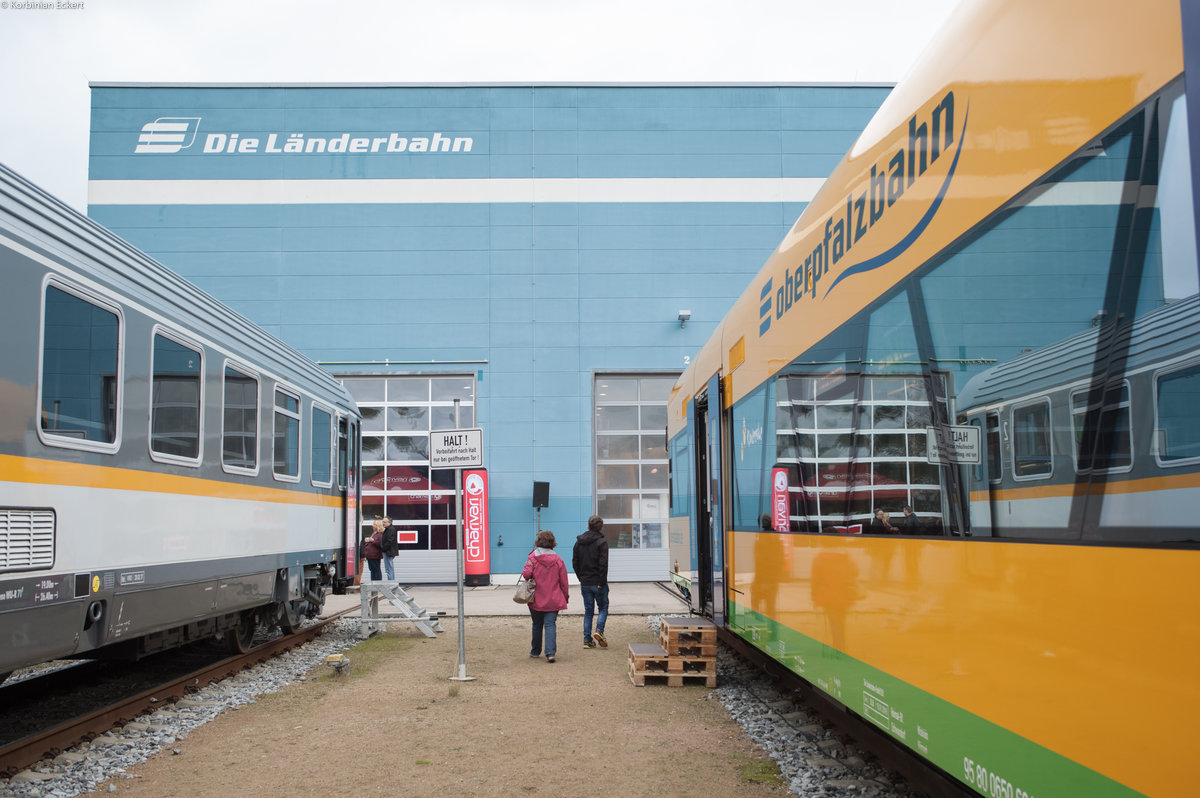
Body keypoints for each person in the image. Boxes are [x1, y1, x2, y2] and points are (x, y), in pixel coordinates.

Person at [521, 529, 569, 663]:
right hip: (554, 599)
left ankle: (535, 651)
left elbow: (525, 574)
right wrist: (565, 597)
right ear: (552, 542)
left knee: (536, 624)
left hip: (536, 597)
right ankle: (550, 653)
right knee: (550, 625)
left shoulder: (533, 558)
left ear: (538, 542)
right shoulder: (558, 560)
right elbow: (564, 581)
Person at [573, 515, 609, 649]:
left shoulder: (578, 542)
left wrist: (580, 578)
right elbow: (603, 564)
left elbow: (575, 562)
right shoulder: (602, 542)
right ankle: (599, 631)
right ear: (601, 527)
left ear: (588, 526)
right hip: (598, 582)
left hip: (585, 582)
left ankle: (587, 640)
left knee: (588, 611)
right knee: (603, 608)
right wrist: (602, 581)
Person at [380, 516, 399, 580]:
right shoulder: (388, 529)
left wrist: (383, 548)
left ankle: (391, 584)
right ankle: (391, 583)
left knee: (389, 568)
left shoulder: (390, 529)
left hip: (389, 552)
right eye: (382, 522)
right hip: (388, 551)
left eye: (384, 522)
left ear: (389, 522)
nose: (383, 523)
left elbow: (389, 541)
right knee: (389, 568)